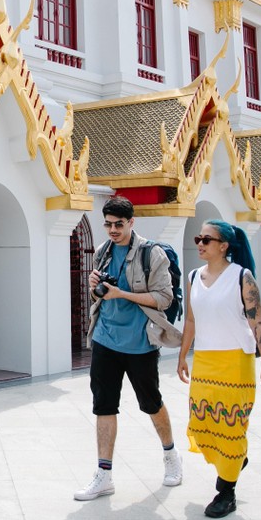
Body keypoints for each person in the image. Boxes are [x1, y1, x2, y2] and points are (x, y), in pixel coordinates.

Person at [74, 196, 183, 501]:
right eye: (108, 224)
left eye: (118, 224)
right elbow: (99, 295)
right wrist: (95, 285)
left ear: (131, 222)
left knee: (151, 403)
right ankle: (104, 475)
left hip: (139, 343)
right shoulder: (102, 252)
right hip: (105, 339)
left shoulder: (152, 254)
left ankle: (171, 455)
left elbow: (163, 298)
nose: (113, 230)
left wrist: (121, 293)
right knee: (103, 406)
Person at [176, 220, 261, 518]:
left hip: (236, 362)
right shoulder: (194, 277)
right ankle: (235, 461)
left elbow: (257, 322)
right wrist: (182, 356)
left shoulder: (242, 277)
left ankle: (226, 491)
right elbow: (191, 321)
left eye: (206, 239)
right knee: (201, 425)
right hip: (205, 361)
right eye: (198, 238)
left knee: (230, 428)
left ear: (223, 246)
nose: (200, 243)